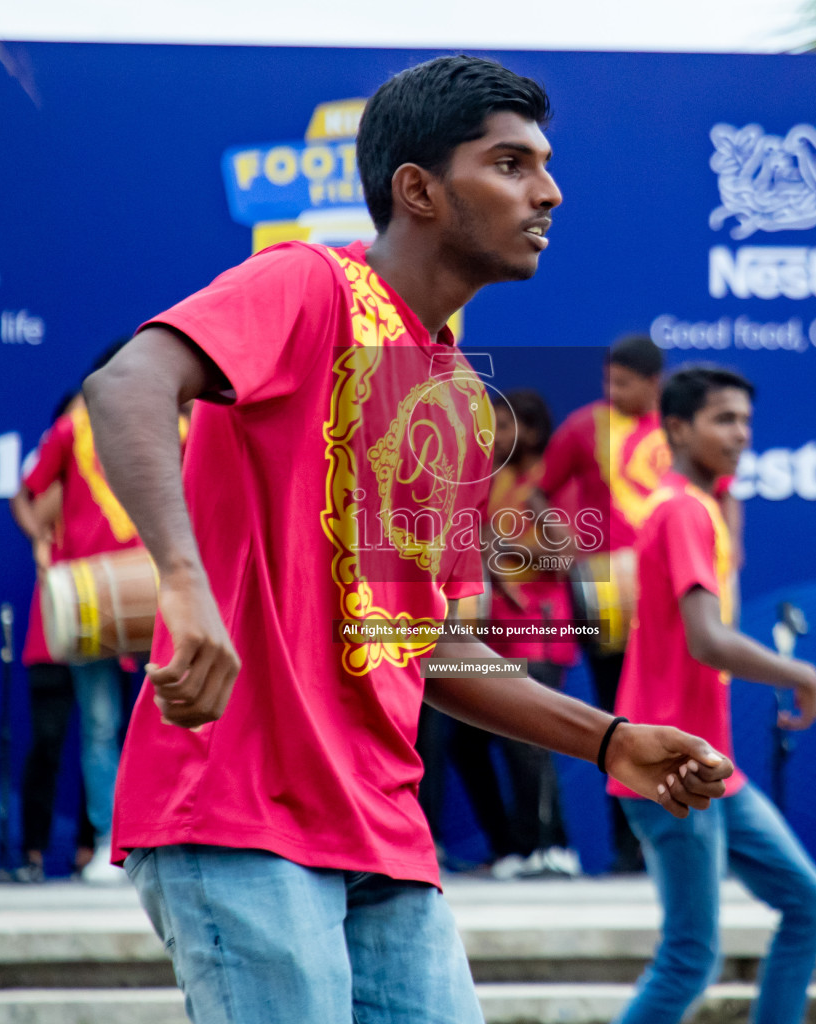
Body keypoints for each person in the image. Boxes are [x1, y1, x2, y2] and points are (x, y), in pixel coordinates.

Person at [83, 55, 737, 1024]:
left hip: (383, 829)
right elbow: (126, 384)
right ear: (418, 189)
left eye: (545, 164)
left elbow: (418, 639)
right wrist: (184, 580)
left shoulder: (463, 404)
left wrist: (605, 738)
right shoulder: (307, 284)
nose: (549, 190)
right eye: (511, 163)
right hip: (236, 808)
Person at [609, 365, 816, 1024]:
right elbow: (707, 639)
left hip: (709, 768)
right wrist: (803, 675)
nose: (740, 434)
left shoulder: (700, 507)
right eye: (723, 420)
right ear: (677, 428)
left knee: (808, 906)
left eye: (745, 421)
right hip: (670, 767)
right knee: (689, 956)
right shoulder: (681, 511)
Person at [11, 345, 144, 886]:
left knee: (184, 712)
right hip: (94, 598)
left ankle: (181, 834)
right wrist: (40, 540)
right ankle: (113, 842)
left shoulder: (172, 424)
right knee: (99, 724)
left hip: (161, 588)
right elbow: (26, 494)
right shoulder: (73, 430)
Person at [541, 333, 670, 871]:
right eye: (606, 381)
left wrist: (728, 560)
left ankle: (679, 841)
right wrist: (561, 535)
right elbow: (540, 489)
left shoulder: (678, 430)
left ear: (652, 384)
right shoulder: (585, 426)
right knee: (620, 710)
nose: (611, 391)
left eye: (623, 383)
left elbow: (722, 496)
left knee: (671, 708)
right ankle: (628, 847)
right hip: (602, 584)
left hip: (670, 587)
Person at [447, 389, 582, 879]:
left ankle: (552, 849)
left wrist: (500, 548)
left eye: (506, 426)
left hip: (539, 632)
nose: (497, 435)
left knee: (533, 741)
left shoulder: (549, 484)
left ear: (534, 431)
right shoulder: (489, 480)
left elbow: (565, 560)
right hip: (491, 635)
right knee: (471, 743)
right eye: (492, 425)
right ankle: (512, 846)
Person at [13, 393, 101, 883]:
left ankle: (94, 845)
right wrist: (40, 543)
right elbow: (29, 507)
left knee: (103, 736)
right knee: (48, 741)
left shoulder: (117, 470)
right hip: (55, 627)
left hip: (106, 621)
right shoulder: (60, 479)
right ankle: (33, 852)